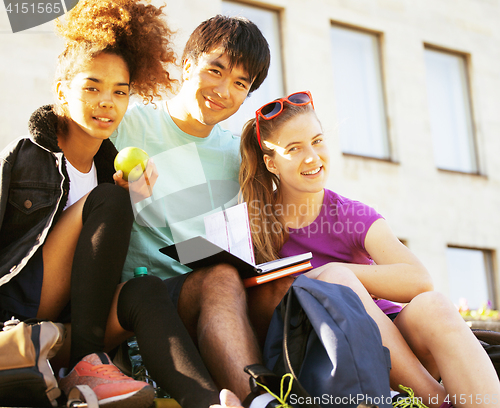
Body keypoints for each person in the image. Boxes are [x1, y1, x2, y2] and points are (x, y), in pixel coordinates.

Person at [0, 1, 240, 407]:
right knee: (111, 199)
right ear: (62, 90)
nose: (106, 101)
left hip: (75, 322)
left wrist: (139, 203)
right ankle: (87, 368)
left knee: (145, 290)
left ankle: (209, 402)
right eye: (92, 87)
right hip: (22, 314)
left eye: (120, 91)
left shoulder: (112, 166)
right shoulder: (26, 157)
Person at [239, 91, 500, 408]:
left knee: (434, 305)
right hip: (321, 353)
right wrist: (323, 283)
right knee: (334, 278)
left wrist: (329, 274)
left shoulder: (351, 214)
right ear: (271, 162)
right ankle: (437, 401)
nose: (312, 156)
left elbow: (419, 280)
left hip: (395, 344)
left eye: (318, 141)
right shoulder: (254, 224)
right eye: (294, 148)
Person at [112, 14, 273, 404]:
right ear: (188, 66)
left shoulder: (239, 157)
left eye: (240, 83)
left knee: (279, 281)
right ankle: (257, 399)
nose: (222, 90)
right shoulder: (127, 126)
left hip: (209, 302)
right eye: (215, 70)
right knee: (219, 276)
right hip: (139, 300)